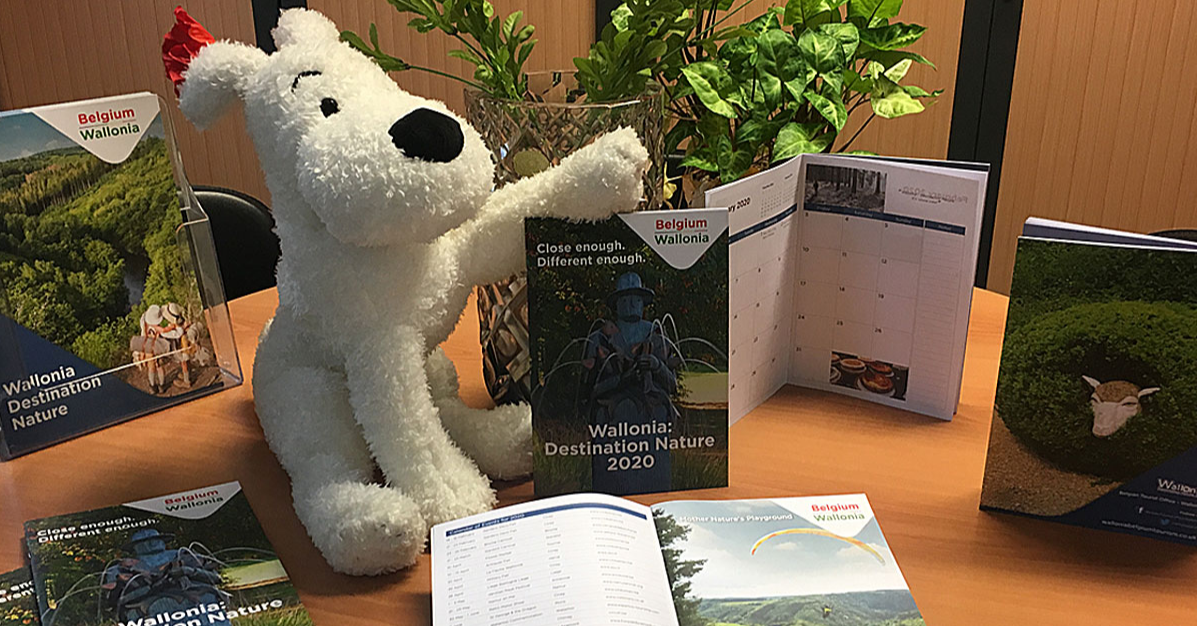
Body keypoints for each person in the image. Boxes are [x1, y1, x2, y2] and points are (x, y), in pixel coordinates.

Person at [581, 272, 679, 493]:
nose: (632, 304)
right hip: (612, 421)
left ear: (643, 303)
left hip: (651, 422)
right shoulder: (600, 338)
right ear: (616, 304)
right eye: (625, 299)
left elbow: (671, 384)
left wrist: (656, 365)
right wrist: (624, 380)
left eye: (636, 299)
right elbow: (590, 391)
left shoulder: (657, 334)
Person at [100, 529, 229, 625]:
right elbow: (114, 600)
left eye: (154, 540)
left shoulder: (183, 554)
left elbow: (215, 578)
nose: (151, 544)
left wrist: (187, 571)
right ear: (135, 547)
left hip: (197, 605)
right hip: (150, 611)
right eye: (145, 543)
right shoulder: (121, 567)